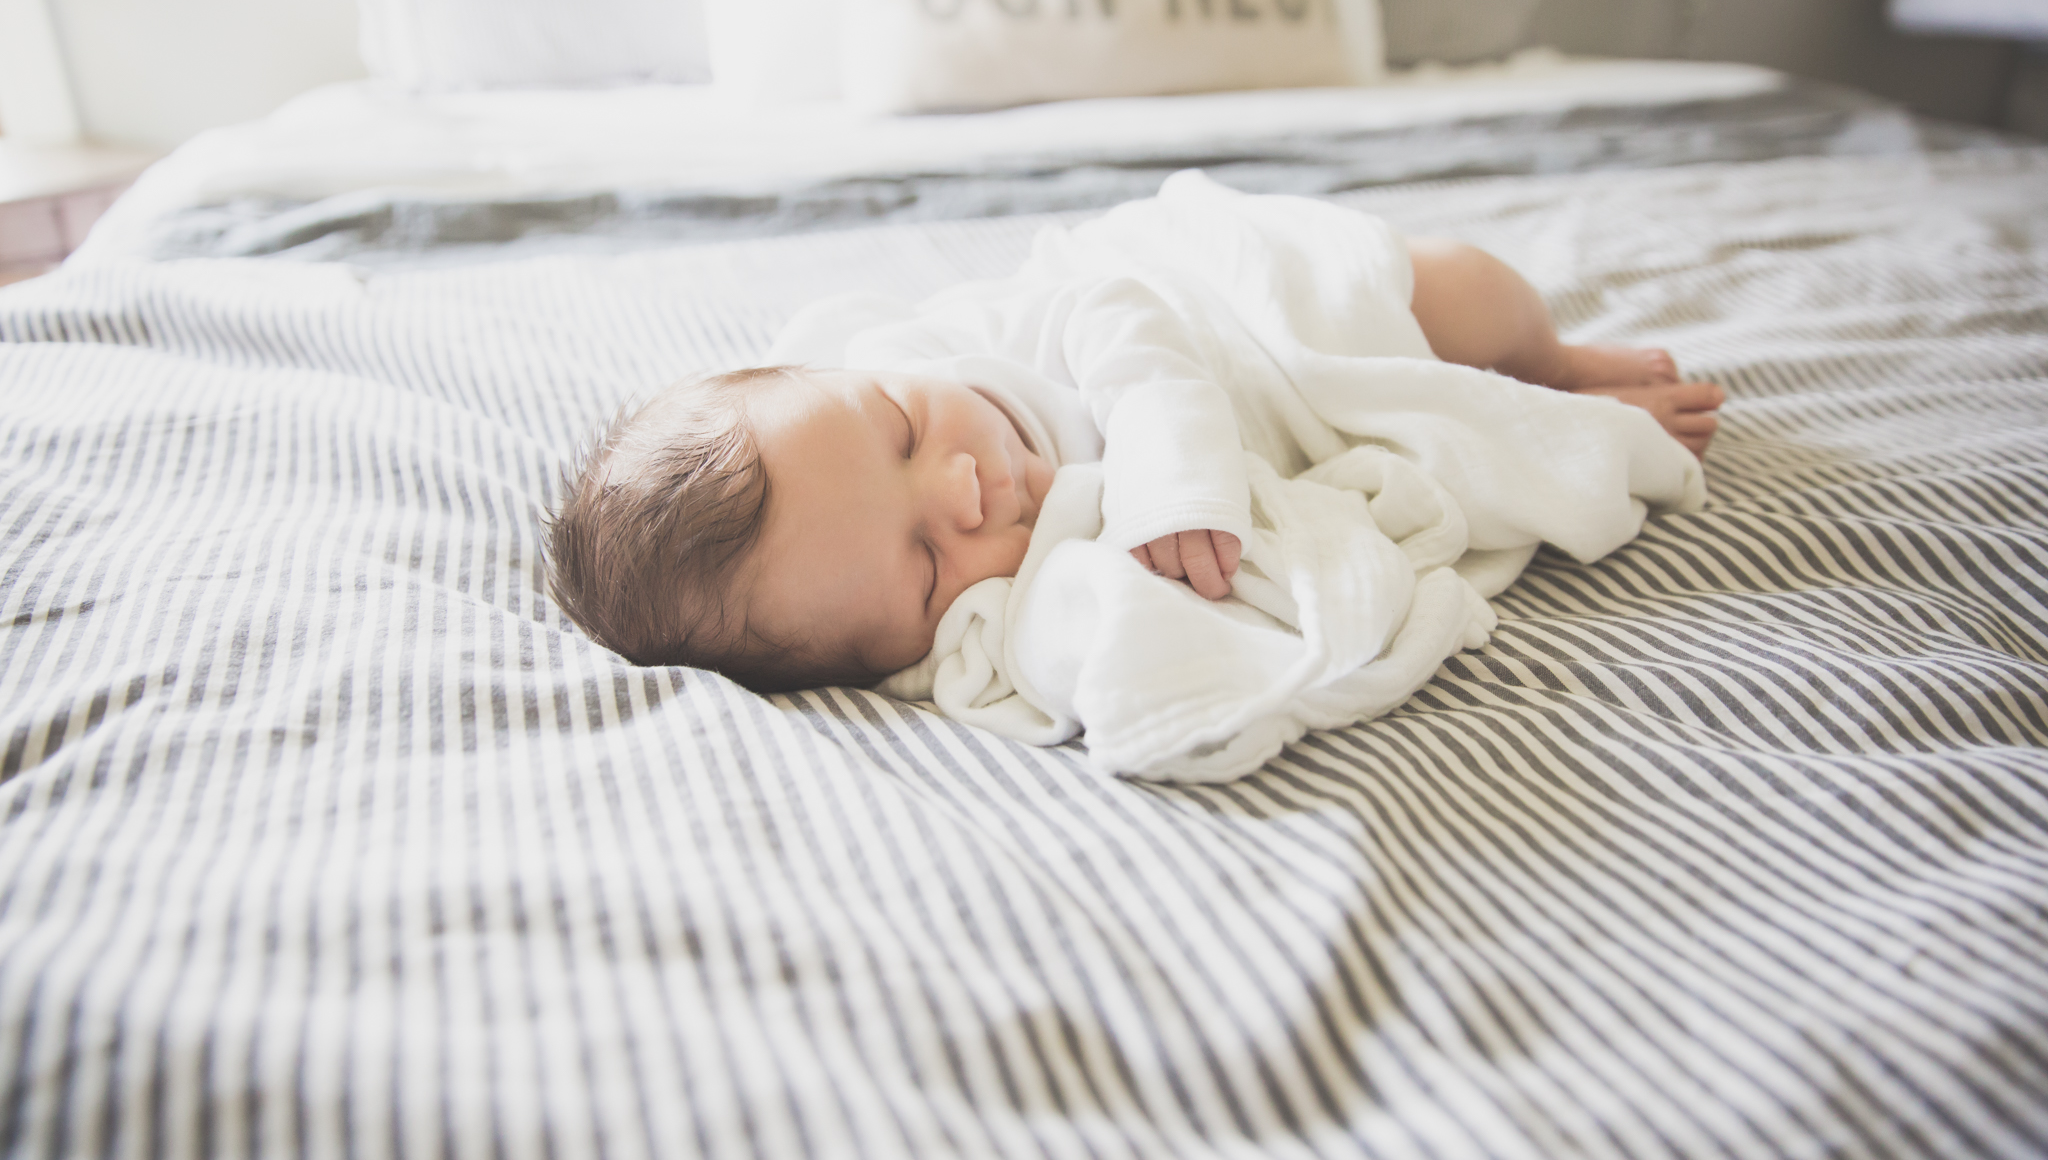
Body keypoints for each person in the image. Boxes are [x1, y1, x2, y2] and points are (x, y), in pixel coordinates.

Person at [548, 196, 1723, 695]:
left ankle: (1556, 366)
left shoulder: (955, 343)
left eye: (899, 430)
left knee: (1462, 295)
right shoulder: (989, 635)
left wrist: (1171, 471)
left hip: (1235, 308)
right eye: (921, 566)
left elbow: (1114, 310)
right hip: (1268, 411)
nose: (959, 484)